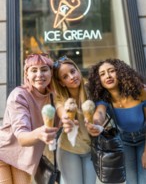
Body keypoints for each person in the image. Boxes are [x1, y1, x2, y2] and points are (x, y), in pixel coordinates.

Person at [0, 53, 58, 184]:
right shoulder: (19, 95)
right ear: (26, 74)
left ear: (51, 73)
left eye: (44, 69)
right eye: (34, 70)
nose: (39, 75)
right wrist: (39, 133)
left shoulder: (54, 97)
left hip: (25, 159)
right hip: (3, 153)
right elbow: (22, 137)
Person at [87, 58, 146, 184]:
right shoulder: (105, 98)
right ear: (99, 81)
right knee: (131, 181)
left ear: (120, 72)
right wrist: (96, 124)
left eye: (111, 71)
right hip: (124, 141)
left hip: (144, 140)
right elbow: (100, 113)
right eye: (102, 74)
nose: (107, 76)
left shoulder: (140, 91)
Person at [52, 55, 97, 184]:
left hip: (90, 150)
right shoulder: (60, 98)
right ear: (61, 82)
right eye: (65, 76)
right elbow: (62, 111)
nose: (72, 77)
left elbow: (100, 113)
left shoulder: (91, 92)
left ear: (77, 69)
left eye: (72, 71)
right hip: (68, 150)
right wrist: (66, 119)